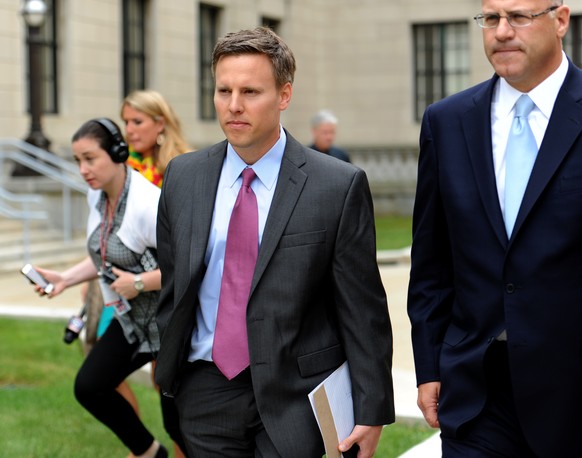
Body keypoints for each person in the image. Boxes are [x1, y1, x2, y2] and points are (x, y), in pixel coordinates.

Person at [154, 27, 395, 457]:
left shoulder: (336, 185)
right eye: (223, 90)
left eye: (250, 91)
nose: (233, 105)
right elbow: (175, 288)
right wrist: (173, 378)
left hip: (297, 396)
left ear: (284, 95)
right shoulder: (182, 177)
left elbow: (362, 308)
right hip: (205, 390)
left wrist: (371, 408)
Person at [407, 1, 580, 456]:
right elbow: (431, 262)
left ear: (560, 20)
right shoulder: (445, 122)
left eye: (519, 17)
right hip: (476, 394)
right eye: (491, 18)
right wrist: (429, 366)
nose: (502, 31)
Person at [31, 118, 169, 458]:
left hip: (169, 325)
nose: (82, 169)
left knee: (180, 421)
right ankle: (150, 453)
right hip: (131, 321)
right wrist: (65, 279)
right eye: (78, 160)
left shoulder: (148, 204)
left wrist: (138, 282)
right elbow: (104, 255)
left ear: (118, 153)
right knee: (90, 387)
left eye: (90, 158)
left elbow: (188, 268)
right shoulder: (98, 197)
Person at [121, 89, 190, 187]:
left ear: (160, 124)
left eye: (137, 122)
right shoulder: (119, 164)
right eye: (126, 122)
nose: (128, 130)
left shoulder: (185, 164)